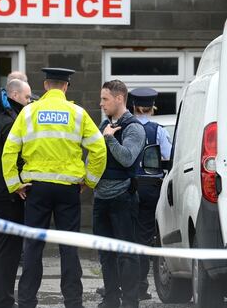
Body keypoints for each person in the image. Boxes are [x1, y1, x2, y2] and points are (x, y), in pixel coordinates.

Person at [2, 68, 107, 308]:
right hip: (68, 190)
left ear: (46, 85)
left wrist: (14, 184)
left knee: (33, 246)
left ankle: (27, 300)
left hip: (36, 190)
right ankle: (73, 301)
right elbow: (99, 149)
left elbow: (9, 150)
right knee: (68, 246)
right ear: (66, 87)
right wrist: (89, 180)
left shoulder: (29, 112)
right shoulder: (77, 113)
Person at [0, 78, 31, 308]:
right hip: (7, 194)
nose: (29, 102)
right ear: (15, 95)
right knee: (8, 249)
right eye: (27, 97)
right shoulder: (12, 121)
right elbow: (15, 157)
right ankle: (4, 300)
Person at [95, 80, 145, 308]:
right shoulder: (104, 124)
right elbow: (94, 158)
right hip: (100, 199)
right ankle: (111, 299)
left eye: (105, 99)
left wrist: (109, 138)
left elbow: (127, 158)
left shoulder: (134, 127)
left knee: (126, 254)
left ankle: (130, 301)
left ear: (119, 98)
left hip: (122, 198)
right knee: (105, 254)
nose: (101, 103)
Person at [129, 87, 172, 300]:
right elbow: (168, 155)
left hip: (128, 185)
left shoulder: (125, 126)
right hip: (150, 187)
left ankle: (125, 284)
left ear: (133, 106)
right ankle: (141, 287)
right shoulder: (159, 130)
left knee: (126, 235)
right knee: (145, 237)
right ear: (152, 108)